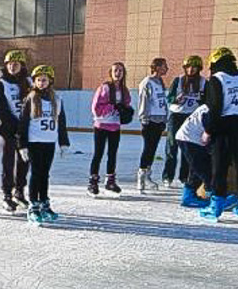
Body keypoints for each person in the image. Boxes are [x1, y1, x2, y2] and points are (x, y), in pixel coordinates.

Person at [200, 47, 238, 221]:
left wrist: (208, 130)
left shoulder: (217, 79)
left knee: (219, 166)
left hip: (223, 127)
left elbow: (214, 107)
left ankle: (216, 205)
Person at [16, 65, 69, 224]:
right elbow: (23, 123)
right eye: (38, 80)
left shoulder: (57, 100)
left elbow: (61, 122)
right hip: (34, 142)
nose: (41, 83)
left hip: (49, 142)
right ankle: (34, 205)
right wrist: (22, 145)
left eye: (44, 80)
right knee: (36, 173)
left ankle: (45, 203)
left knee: (45, 174)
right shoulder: (31, 99)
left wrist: (63, 142)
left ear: (50, 81)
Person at [0, 49, 32, 212]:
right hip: (7, 129)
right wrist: (13, 127)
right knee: (7, 162)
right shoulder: (1, 83)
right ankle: (7, 195)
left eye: (16, 64)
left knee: (24, 161)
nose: (13, 66)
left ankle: (19, 192)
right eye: (10, 64)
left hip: (25, 128)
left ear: (22, 65)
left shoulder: (29, 82)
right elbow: (1, 108)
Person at [162, 55, 206, 188]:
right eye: (188, 67)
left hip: (192, 117)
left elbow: (207, 101)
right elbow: (169, 98)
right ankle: (168, 176)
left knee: (188, 147)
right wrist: (176, 99)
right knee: (172, 147)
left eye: (194, 67)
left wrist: (201, 102)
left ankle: (184, 176)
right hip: (177, 115)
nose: (191, 70)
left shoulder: (204, 82)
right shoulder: (179, 80)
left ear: (199, 69)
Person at [88, 62, 131, 197]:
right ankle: (93, 181)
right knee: (98, 153)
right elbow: (96, 108)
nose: (118, 73)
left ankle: (110, 181)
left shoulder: (124, 90)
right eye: (115, 70)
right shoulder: (105, 88)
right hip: (101, 125)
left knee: (112, 154)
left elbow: (127, 104)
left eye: (120, 71)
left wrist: (126, 111)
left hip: (115, 125)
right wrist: (112, 107)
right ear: (111, 73)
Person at [136, 57, 169, 192]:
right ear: (157, 67)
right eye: (164, 66)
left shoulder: (160, 82)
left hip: (160, 120)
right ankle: (141, 176)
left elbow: (162, 101)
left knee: (153, 149)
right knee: (148, 149)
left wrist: (165, 116)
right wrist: (144, 118)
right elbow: (144, 100)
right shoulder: (147, 82)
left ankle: (148, 175)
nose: (167, 68)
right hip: (150, 121)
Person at [175, 104, 212, 208]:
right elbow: (209, 126)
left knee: (196, 169)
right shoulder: (211, 108)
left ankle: (188, 195)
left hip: (192, 139)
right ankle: (213, 196)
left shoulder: (209, 106)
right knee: (204, 170)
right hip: (189, 139)